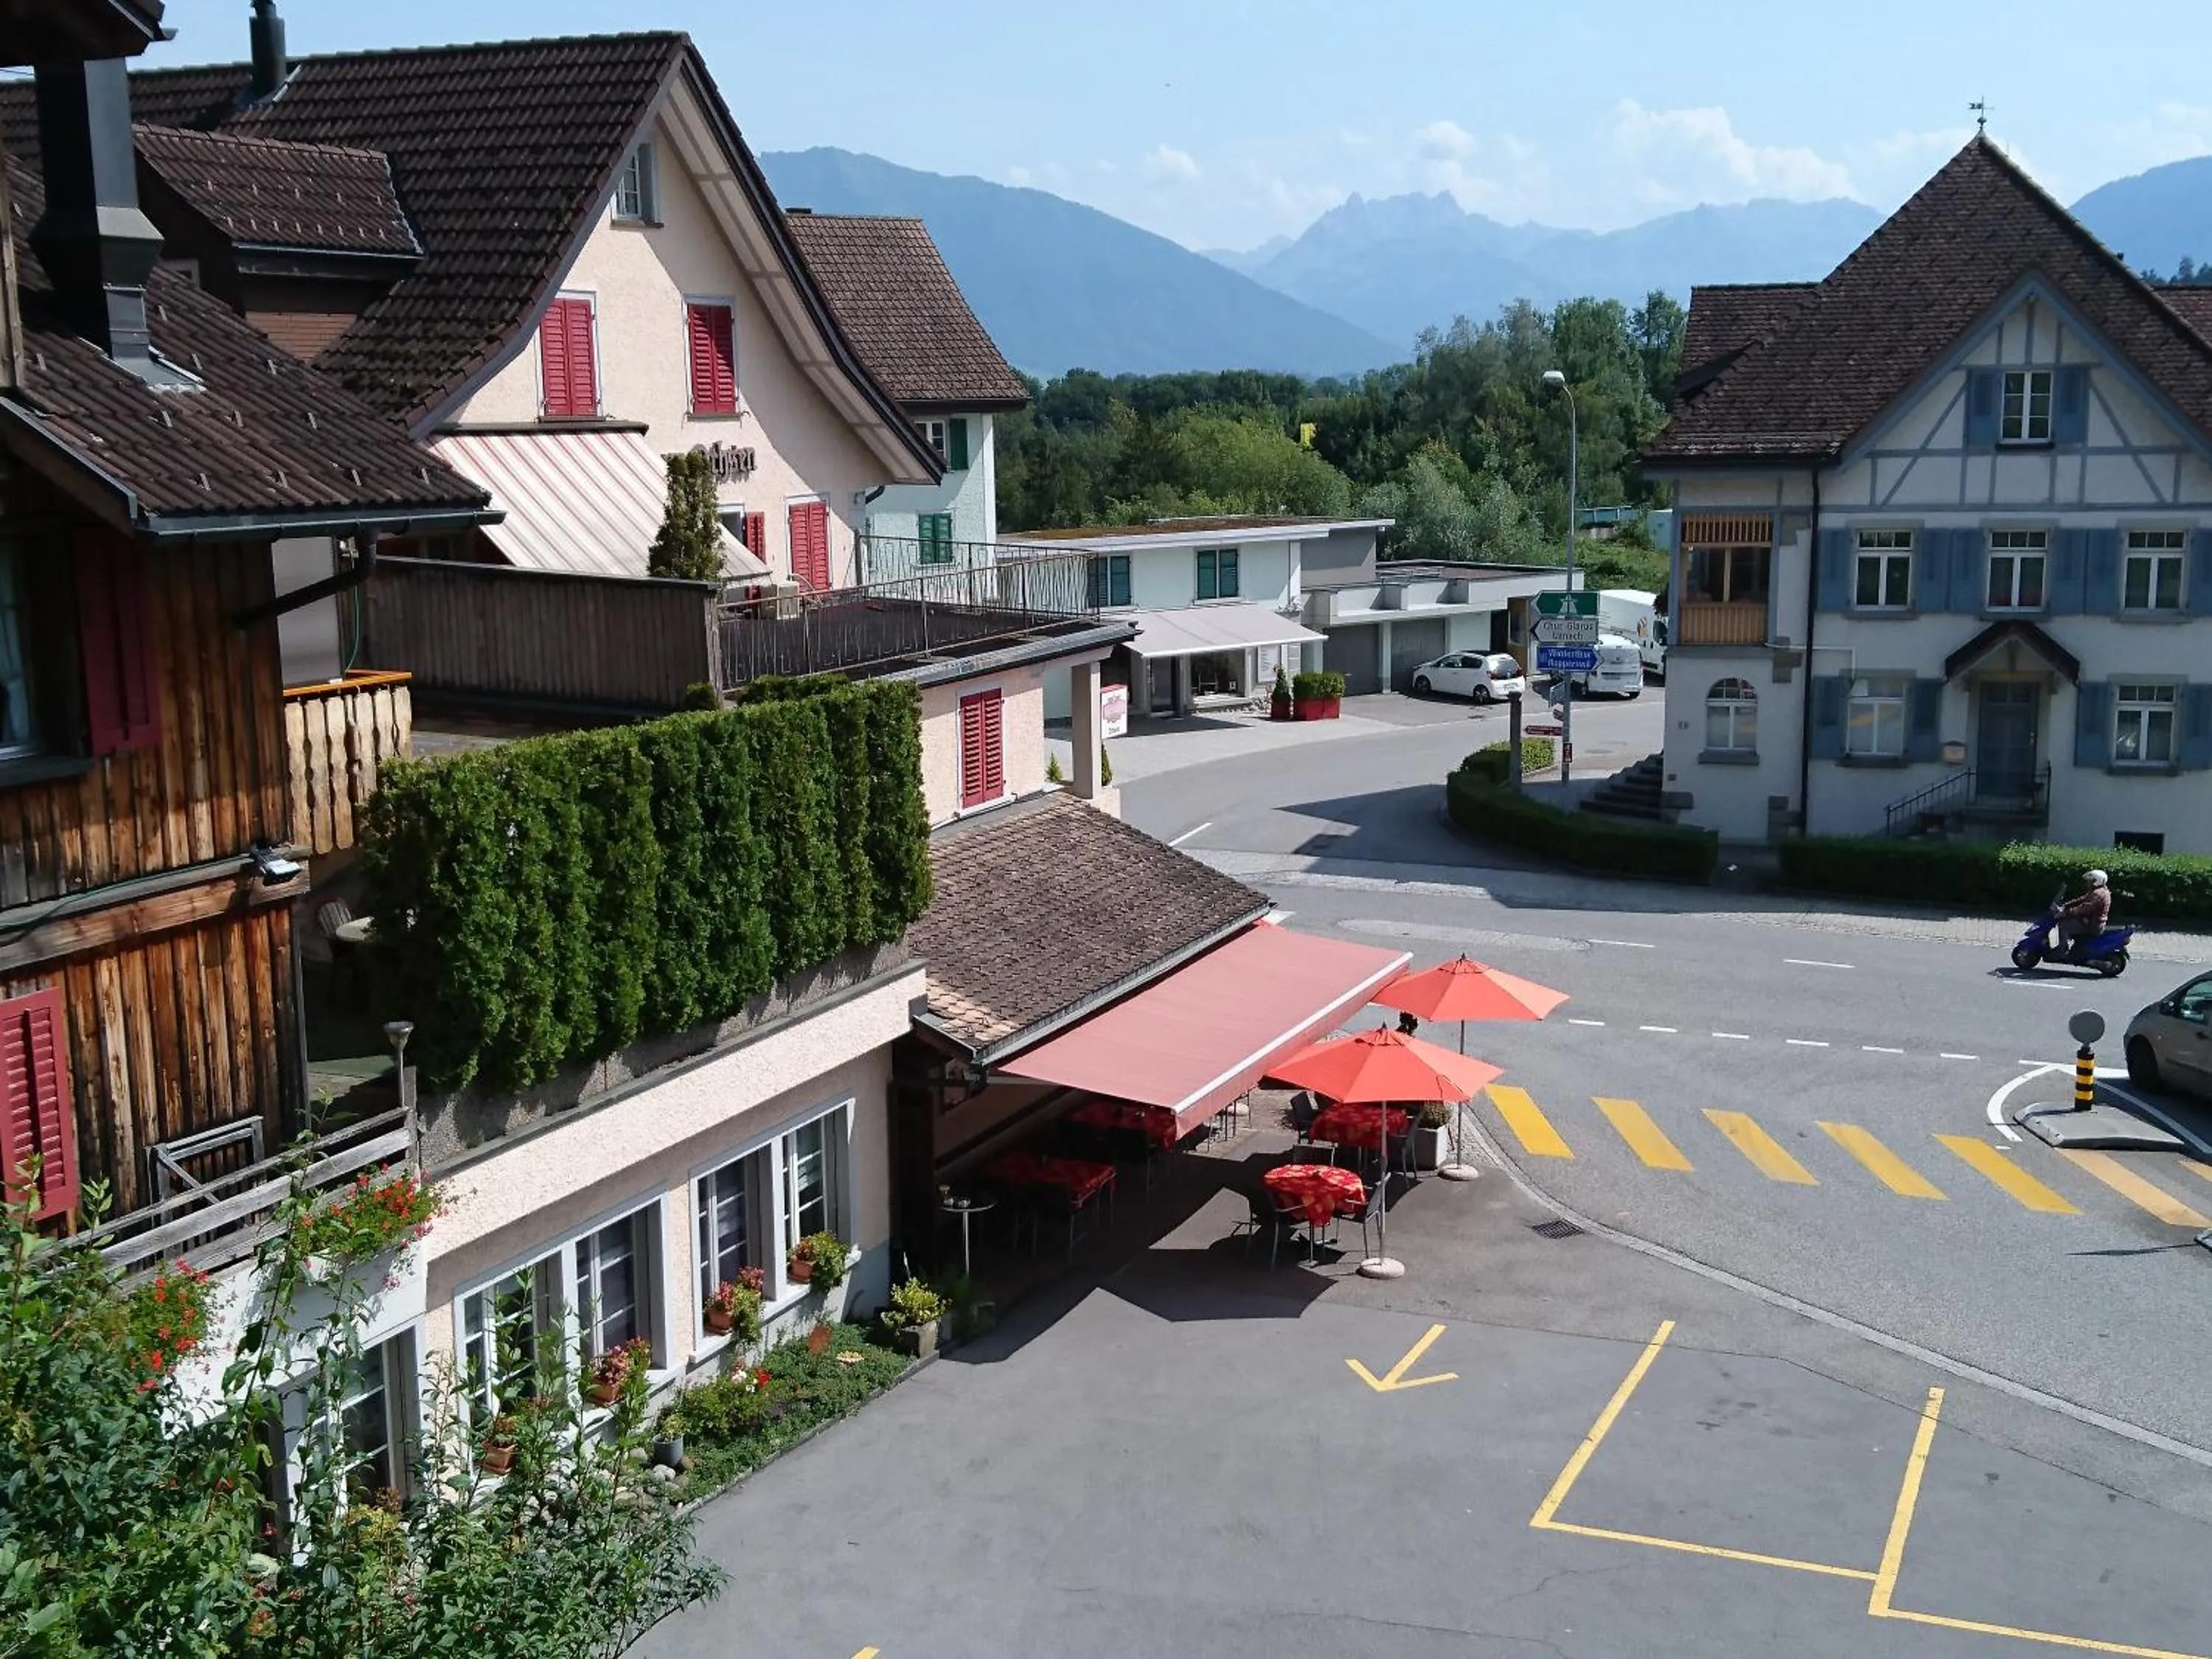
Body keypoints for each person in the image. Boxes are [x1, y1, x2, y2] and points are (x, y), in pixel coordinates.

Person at [2054, 869, 2112, 950]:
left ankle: (2062, 949)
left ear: (2096, 881)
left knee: (2064, 925)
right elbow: (2082, 899)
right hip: (2092, 922)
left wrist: (2066, 913)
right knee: (2068, 920)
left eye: (2090, 881)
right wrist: (2066, 905)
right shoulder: (2099, 891)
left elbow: (2084, 908)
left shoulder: (2098, 894)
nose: (2087, 883)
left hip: (2093, 925)